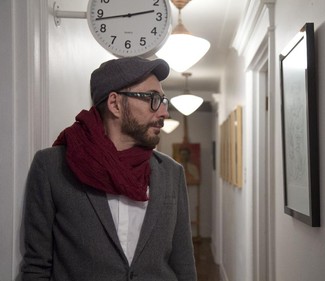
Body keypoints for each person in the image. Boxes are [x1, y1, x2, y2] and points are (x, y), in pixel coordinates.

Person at [21, 57, 197, 281]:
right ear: (115, 104)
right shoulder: (52, 168)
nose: (164, 112)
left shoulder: (171, 173)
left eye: (163, 100)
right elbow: (36, 267)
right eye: (153, 99)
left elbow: (183, 265)